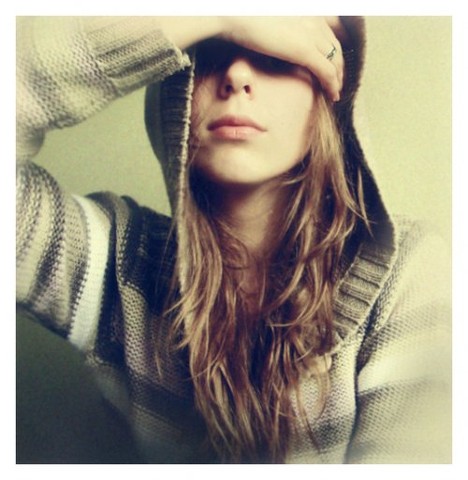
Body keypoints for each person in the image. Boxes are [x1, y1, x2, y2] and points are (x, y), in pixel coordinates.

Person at [16, 16, 451, 464]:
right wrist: (209, 14)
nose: (237, 76)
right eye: (211, 50)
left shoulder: (406, 274)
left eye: (276, 57)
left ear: (330, 92)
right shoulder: (118, 266)